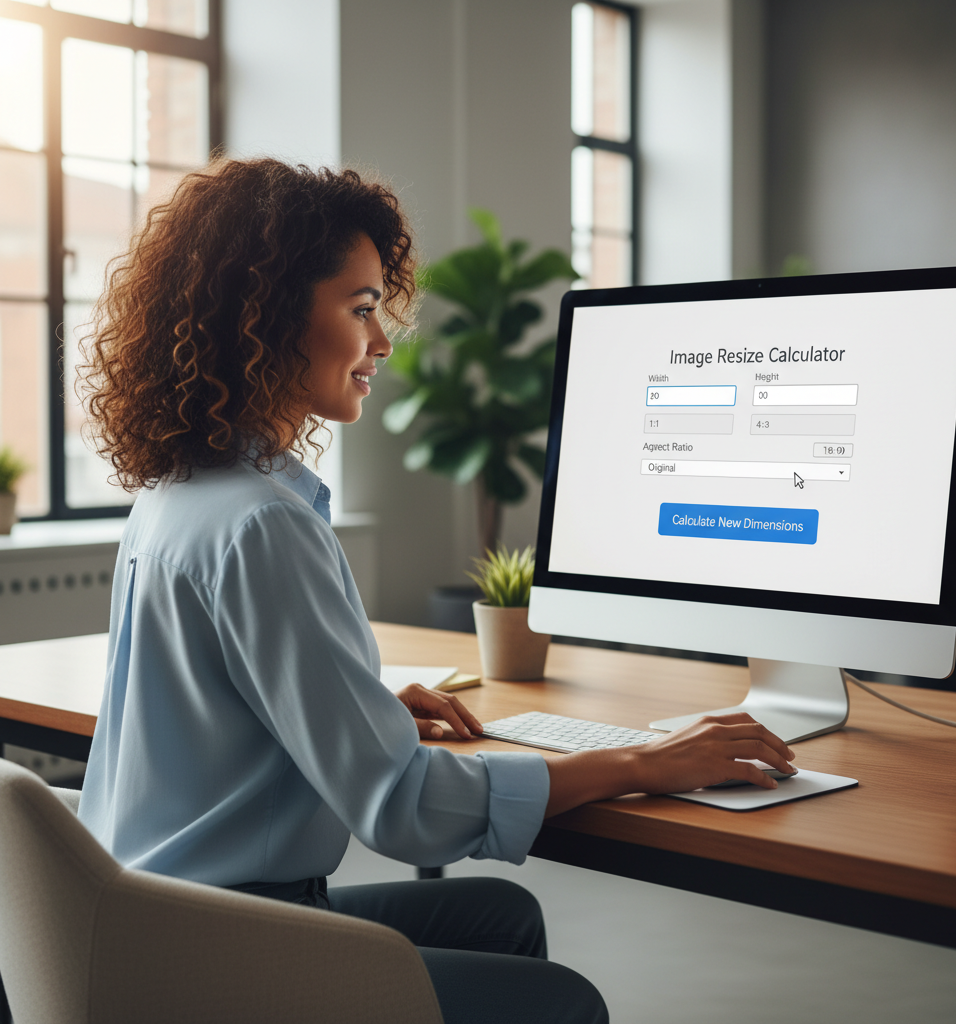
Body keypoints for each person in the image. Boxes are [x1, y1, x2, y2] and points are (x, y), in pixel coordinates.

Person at [76, 157, 796, 1024]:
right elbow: (405, 809)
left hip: (149, 922)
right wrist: (642, 761)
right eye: (362, 307)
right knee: (563, 1004)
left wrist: (363, 707)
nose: (384, 341)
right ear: (263, 317)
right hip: (229, 949)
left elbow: (217, 700)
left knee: (498, 913)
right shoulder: (263, 524)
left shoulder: (180, 493)